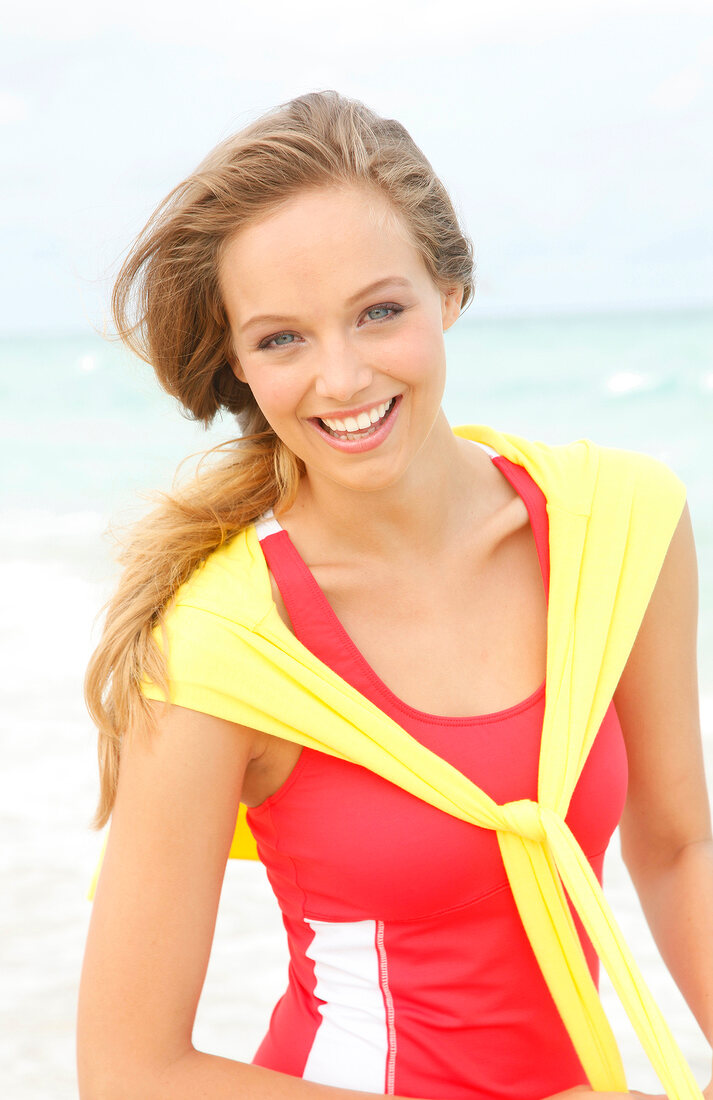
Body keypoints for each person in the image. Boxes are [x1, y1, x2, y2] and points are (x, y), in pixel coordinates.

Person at [77, 90, 713, 1100]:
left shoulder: (619, 527)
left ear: (446, 289)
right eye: (281, 339)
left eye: (379, 311)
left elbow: (678, 844)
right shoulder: (224, 645)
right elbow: (128, 1070)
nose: (341, 376)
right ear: (238, 366)